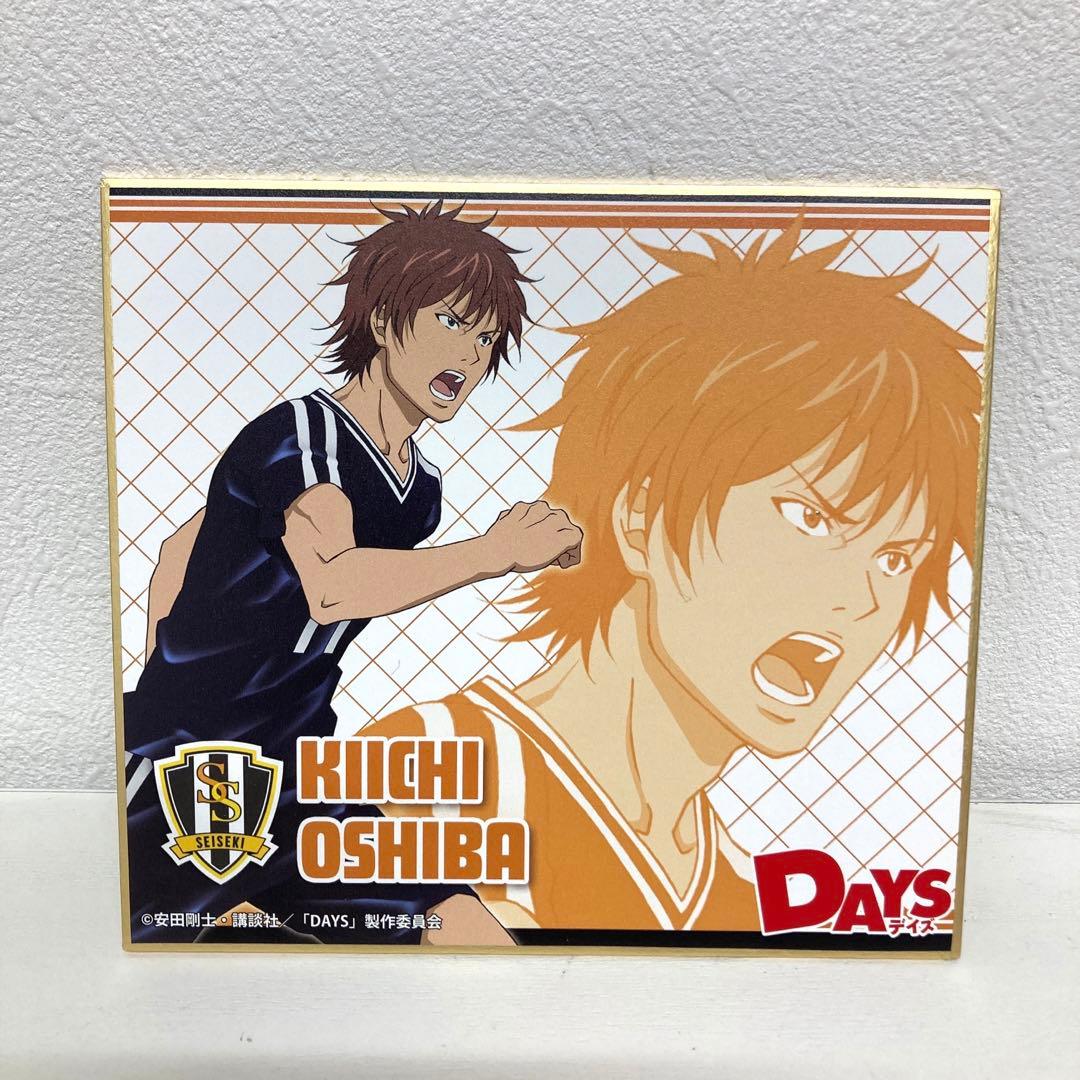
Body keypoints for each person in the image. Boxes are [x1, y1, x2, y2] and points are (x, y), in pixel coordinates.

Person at [360, 219, 981, 933]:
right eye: (810, 518)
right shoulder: (434, 771)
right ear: (640, 517)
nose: (863, 598)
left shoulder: (739, 896)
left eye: (897, 558)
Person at [122, 202, 582, 943]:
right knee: (153, 950)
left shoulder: (419, 489)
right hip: (198, 774)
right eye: (451, 321)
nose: (470, 354)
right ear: (383, 319)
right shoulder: (302, 436)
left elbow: (182, 553)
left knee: (461, 924)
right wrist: (177, 696)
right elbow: (332, 586)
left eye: (486, 337)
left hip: (300, 772)